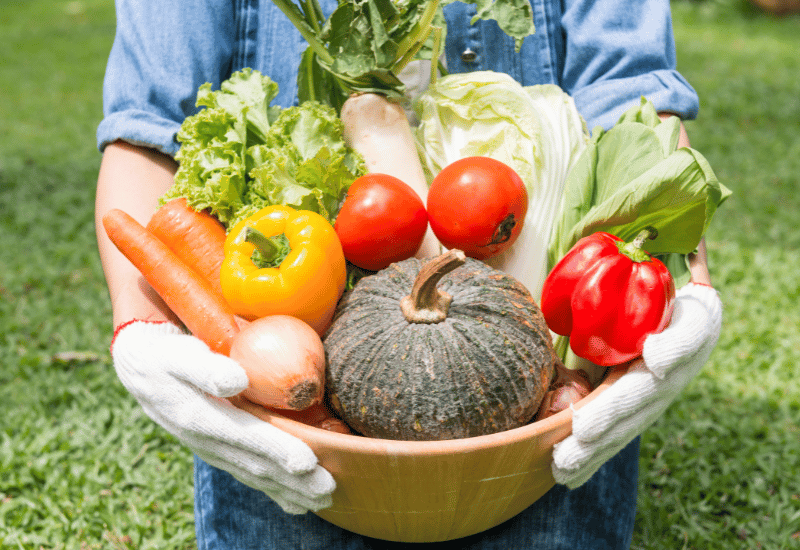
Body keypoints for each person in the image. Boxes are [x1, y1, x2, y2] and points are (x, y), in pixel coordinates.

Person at [95, 0, 723, 547]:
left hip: (545, 445)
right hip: (286, 438)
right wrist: (141, 323)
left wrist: (687, 282)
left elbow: (636, 105)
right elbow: (148, 130)